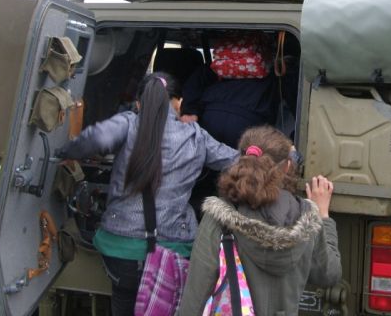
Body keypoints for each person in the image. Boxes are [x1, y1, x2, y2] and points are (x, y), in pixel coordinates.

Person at [57, 72, 239, 316]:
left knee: (123, 304)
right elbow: (236, 161)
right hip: (172, 249)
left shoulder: (128, 123)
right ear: (178, 103)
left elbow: (96, 138)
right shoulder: (197, 136)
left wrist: (64, 152)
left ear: (139, 104)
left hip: (120, 250)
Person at [178, 125, 342, 315]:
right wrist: (323, 217)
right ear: (287, 167)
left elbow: (195, 298)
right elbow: (329, 274)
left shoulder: (218, 219)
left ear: (241, 163)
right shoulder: (306, 217)